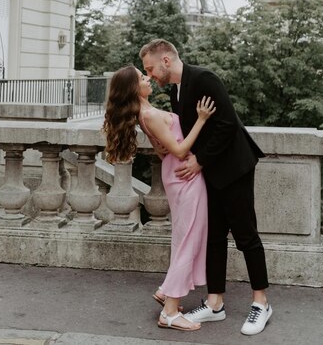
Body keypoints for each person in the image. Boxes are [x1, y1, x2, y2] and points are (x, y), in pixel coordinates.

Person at [139, 39, 272, 337]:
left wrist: (199, 161)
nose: (151, 75)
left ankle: (261, 303)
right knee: (213, 237)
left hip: (234, 168)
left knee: (246, 234)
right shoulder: (176, 90)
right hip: (209, 173)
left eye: (151, 68)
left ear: (166, 61)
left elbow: (226, 124)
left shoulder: (204, 78)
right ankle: (215, 303)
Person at [102, 64, 216, 332]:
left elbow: (162, 151)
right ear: (134, 88)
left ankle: (167, 290)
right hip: (184, 174)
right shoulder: (149, 114)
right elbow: (177, 150)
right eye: (143, 77)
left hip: (176, 174)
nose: (149, 78)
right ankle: (170, 313)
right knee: (188, 237)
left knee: (183, 236)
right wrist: (201, 119)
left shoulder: (145, 113)